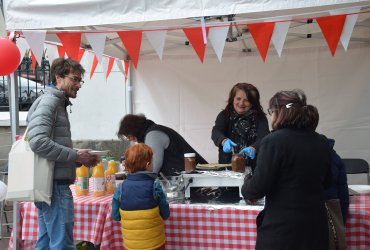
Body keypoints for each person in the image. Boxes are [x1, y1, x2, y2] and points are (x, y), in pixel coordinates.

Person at [241, 89, 332, 250]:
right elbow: (329, 182)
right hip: (316, 229)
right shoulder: (321, 141)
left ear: (279, 112)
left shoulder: (273, 141)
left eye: (271, 112)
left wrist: (246, 181)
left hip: (282, 231)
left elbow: (256, 189)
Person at [27, 58, 99, 250]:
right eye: (75, 79)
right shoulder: (50, 102)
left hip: (48, 185)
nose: (78, 85)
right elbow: (38, 142)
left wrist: (79, 158)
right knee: (62, 244)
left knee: (45, 243)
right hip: (54, 188)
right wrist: (75, 156)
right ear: (58, 77)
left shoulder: (54, 101)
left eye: (80, 81)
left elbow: (47, 146)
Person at [111, 143, 170, 250]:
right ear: (148, 164)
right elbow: (165, 213)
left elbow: (115, 216)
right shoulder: (154, 185)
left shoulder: (121, 187)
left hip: (131, 245)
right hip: (155, 243)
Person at [117, 114, 208, 176]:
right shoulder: (152, 132)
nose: (130, 139)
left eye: (129, 136)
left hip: (196, 179)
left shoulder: (153, 135)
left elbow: (153, 167)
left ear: (134, 130)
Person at [211, 83, 269, 170]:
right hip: (227, 167)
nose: (241, 103)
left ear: (253, 102)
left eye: (247, 100)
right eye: (238, 99)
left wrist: (254, 148)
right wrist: (223, 140)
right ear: (232, 99)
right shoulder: (224, 115)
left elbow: (264, 137)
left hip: (254, 168)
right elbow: (216, 132)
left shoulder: (260, 117)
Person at [325, 138, 349, 224]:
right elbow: (343, 194)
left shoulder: (284, 148)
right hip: (329, 213)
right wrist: (341, 221)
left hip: (290, 219)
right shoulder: (332, 154)